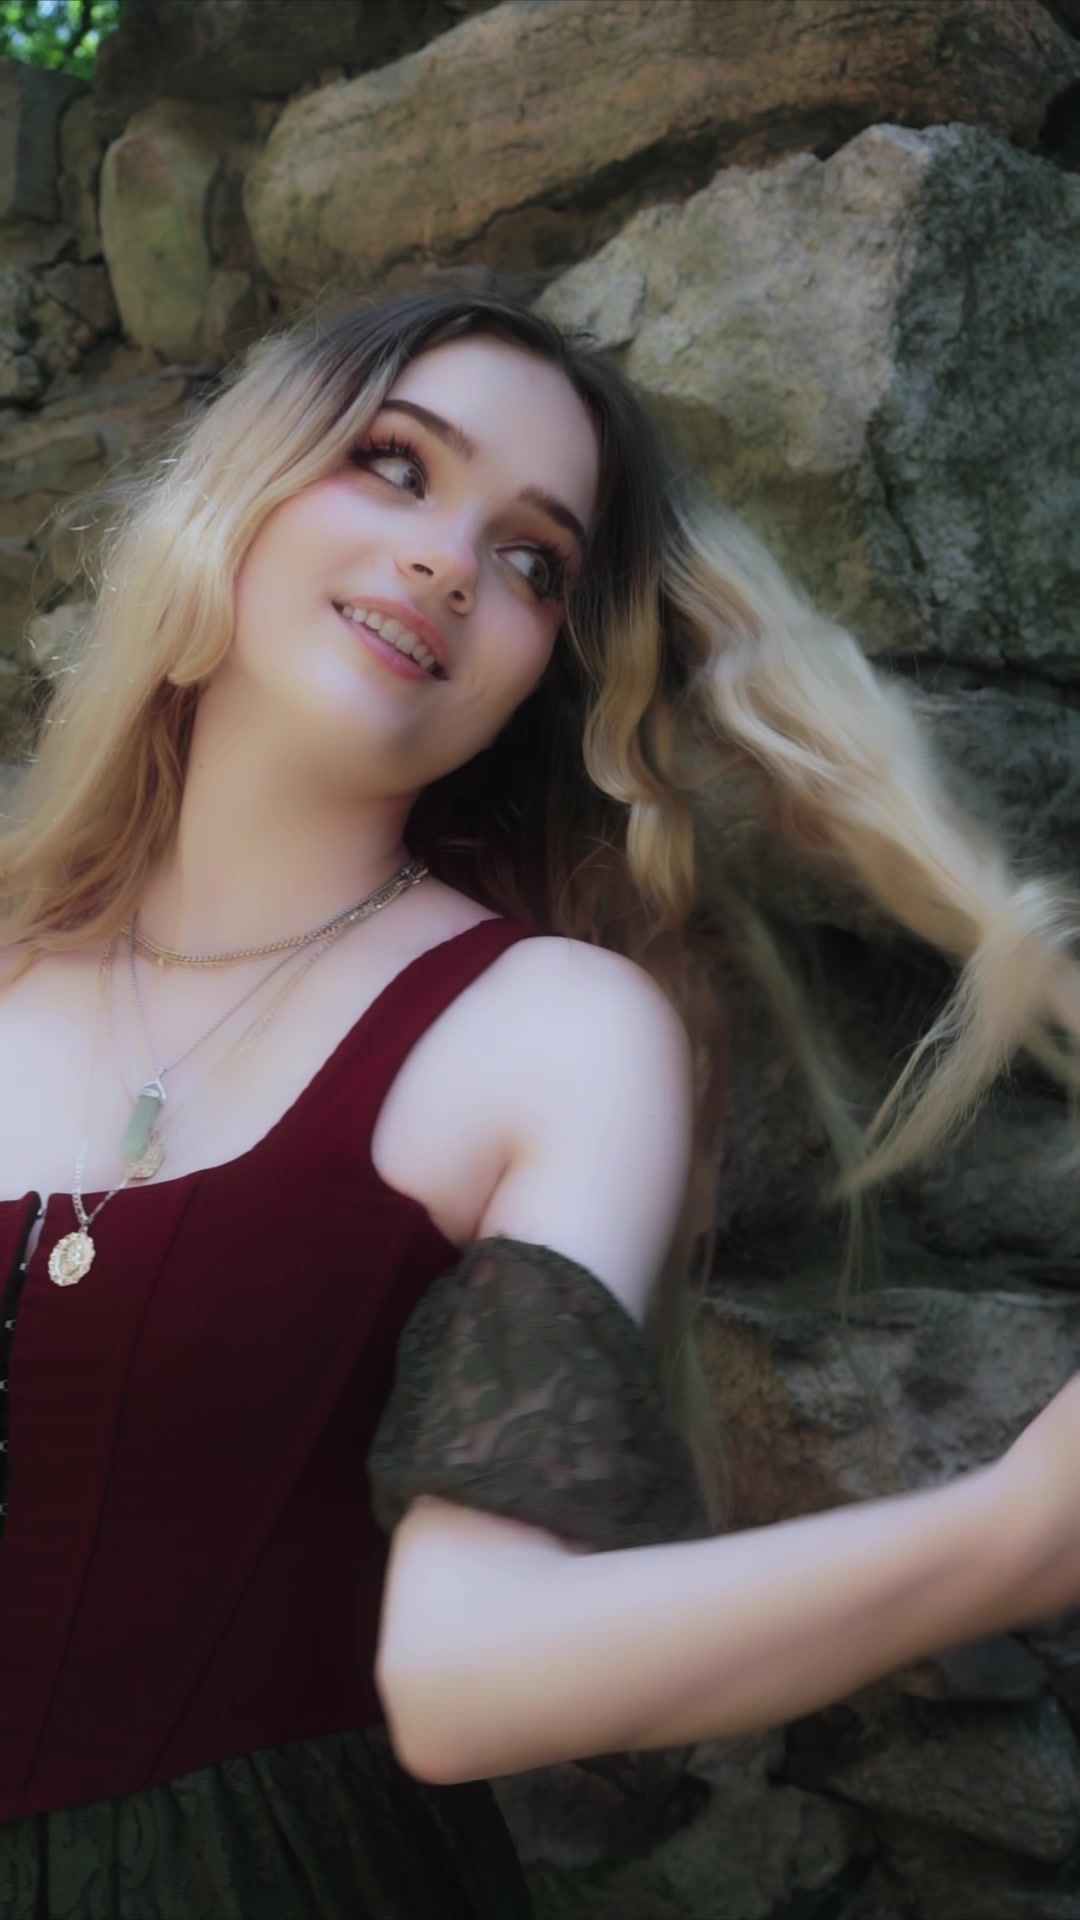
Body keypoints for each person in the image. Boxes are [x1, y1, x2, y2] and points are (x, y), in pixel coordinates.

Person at [0, 286, 1076, 1920]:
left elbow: (470, 1676)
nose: (450, 562)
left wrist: (1019, 1536)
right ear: (238, 491)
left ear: (541, 672)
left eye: (531, 561)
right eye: (395, 465)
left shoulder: (545, 1031)